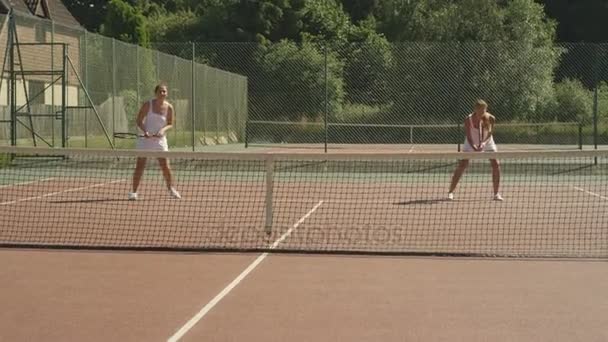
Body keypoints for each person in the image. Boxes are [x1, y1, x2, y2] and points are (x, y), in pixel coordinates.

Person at [128, 83, 181, 200]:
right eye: (160, 91)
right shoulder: (148, 105)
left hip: (160, 141)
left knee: (165, 166)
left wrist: (162, 130)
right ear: (156, 93)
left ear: (167, 93)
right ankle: (133, 192)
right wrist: (145, 131)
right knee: (140, 166)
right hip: (145, 141)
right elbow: (139, 120)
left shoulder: (169, 107)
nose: (162, 93)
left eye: (164, 91)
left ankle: (171, 189)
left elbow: (170, 123)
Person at [447, 99, 502, 201]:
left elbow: (489, 134)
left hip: (487, 141)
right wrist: (474, 146)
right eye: (480, 111)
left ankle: (496, 194)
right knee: (463, 164)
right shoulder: (468, 119)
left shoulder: (491, 118)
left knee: (496, 164)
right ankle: (450, 192)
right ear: (475, 109)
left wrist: (484, 144)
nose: (482, 113)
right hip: (471, 141)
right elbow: (468, 135)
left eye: (484, 111)